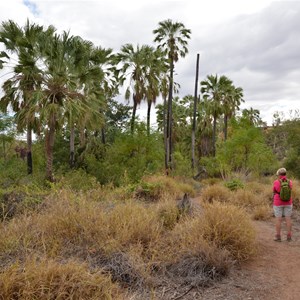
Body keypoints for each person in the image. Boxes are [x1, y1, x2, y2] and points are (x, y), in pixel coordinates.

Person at [273, 167, 293, 242]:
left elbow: (274, 191)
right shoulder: (290, 182)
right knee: (288, 218)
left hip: (278, 202)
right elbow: (290, 190)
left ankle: (278, 236)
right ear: (285, 174)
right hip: (288, 202)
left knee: (278, 219)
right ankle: (289, 236)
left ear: (279, 174)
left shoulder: (276, 182)